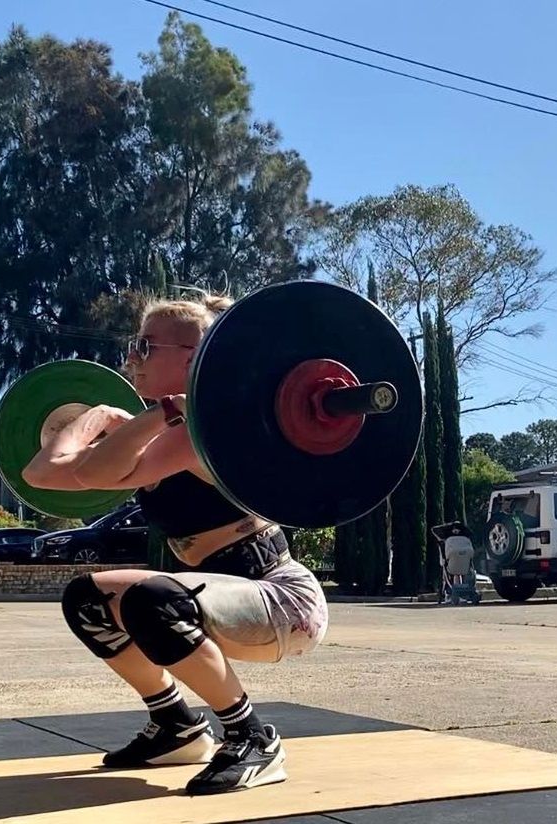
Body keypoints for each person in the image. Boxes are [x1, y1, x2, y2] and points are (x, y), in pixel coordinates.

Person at [22, 294, 329, 796]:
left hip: (279, 600)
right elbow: (40, 474)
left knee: (152, 601)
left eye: (145, 346)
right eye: (134, 345)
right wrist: (106, 415)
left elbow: (88, 470)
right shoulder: (160, 428)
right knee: (87, 599)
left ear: (192, 358)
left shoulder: (202, 429)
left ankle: (253, 738)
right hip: (220, 592)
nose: (131, 358)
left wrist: (134, 418)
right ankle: (177, 726)